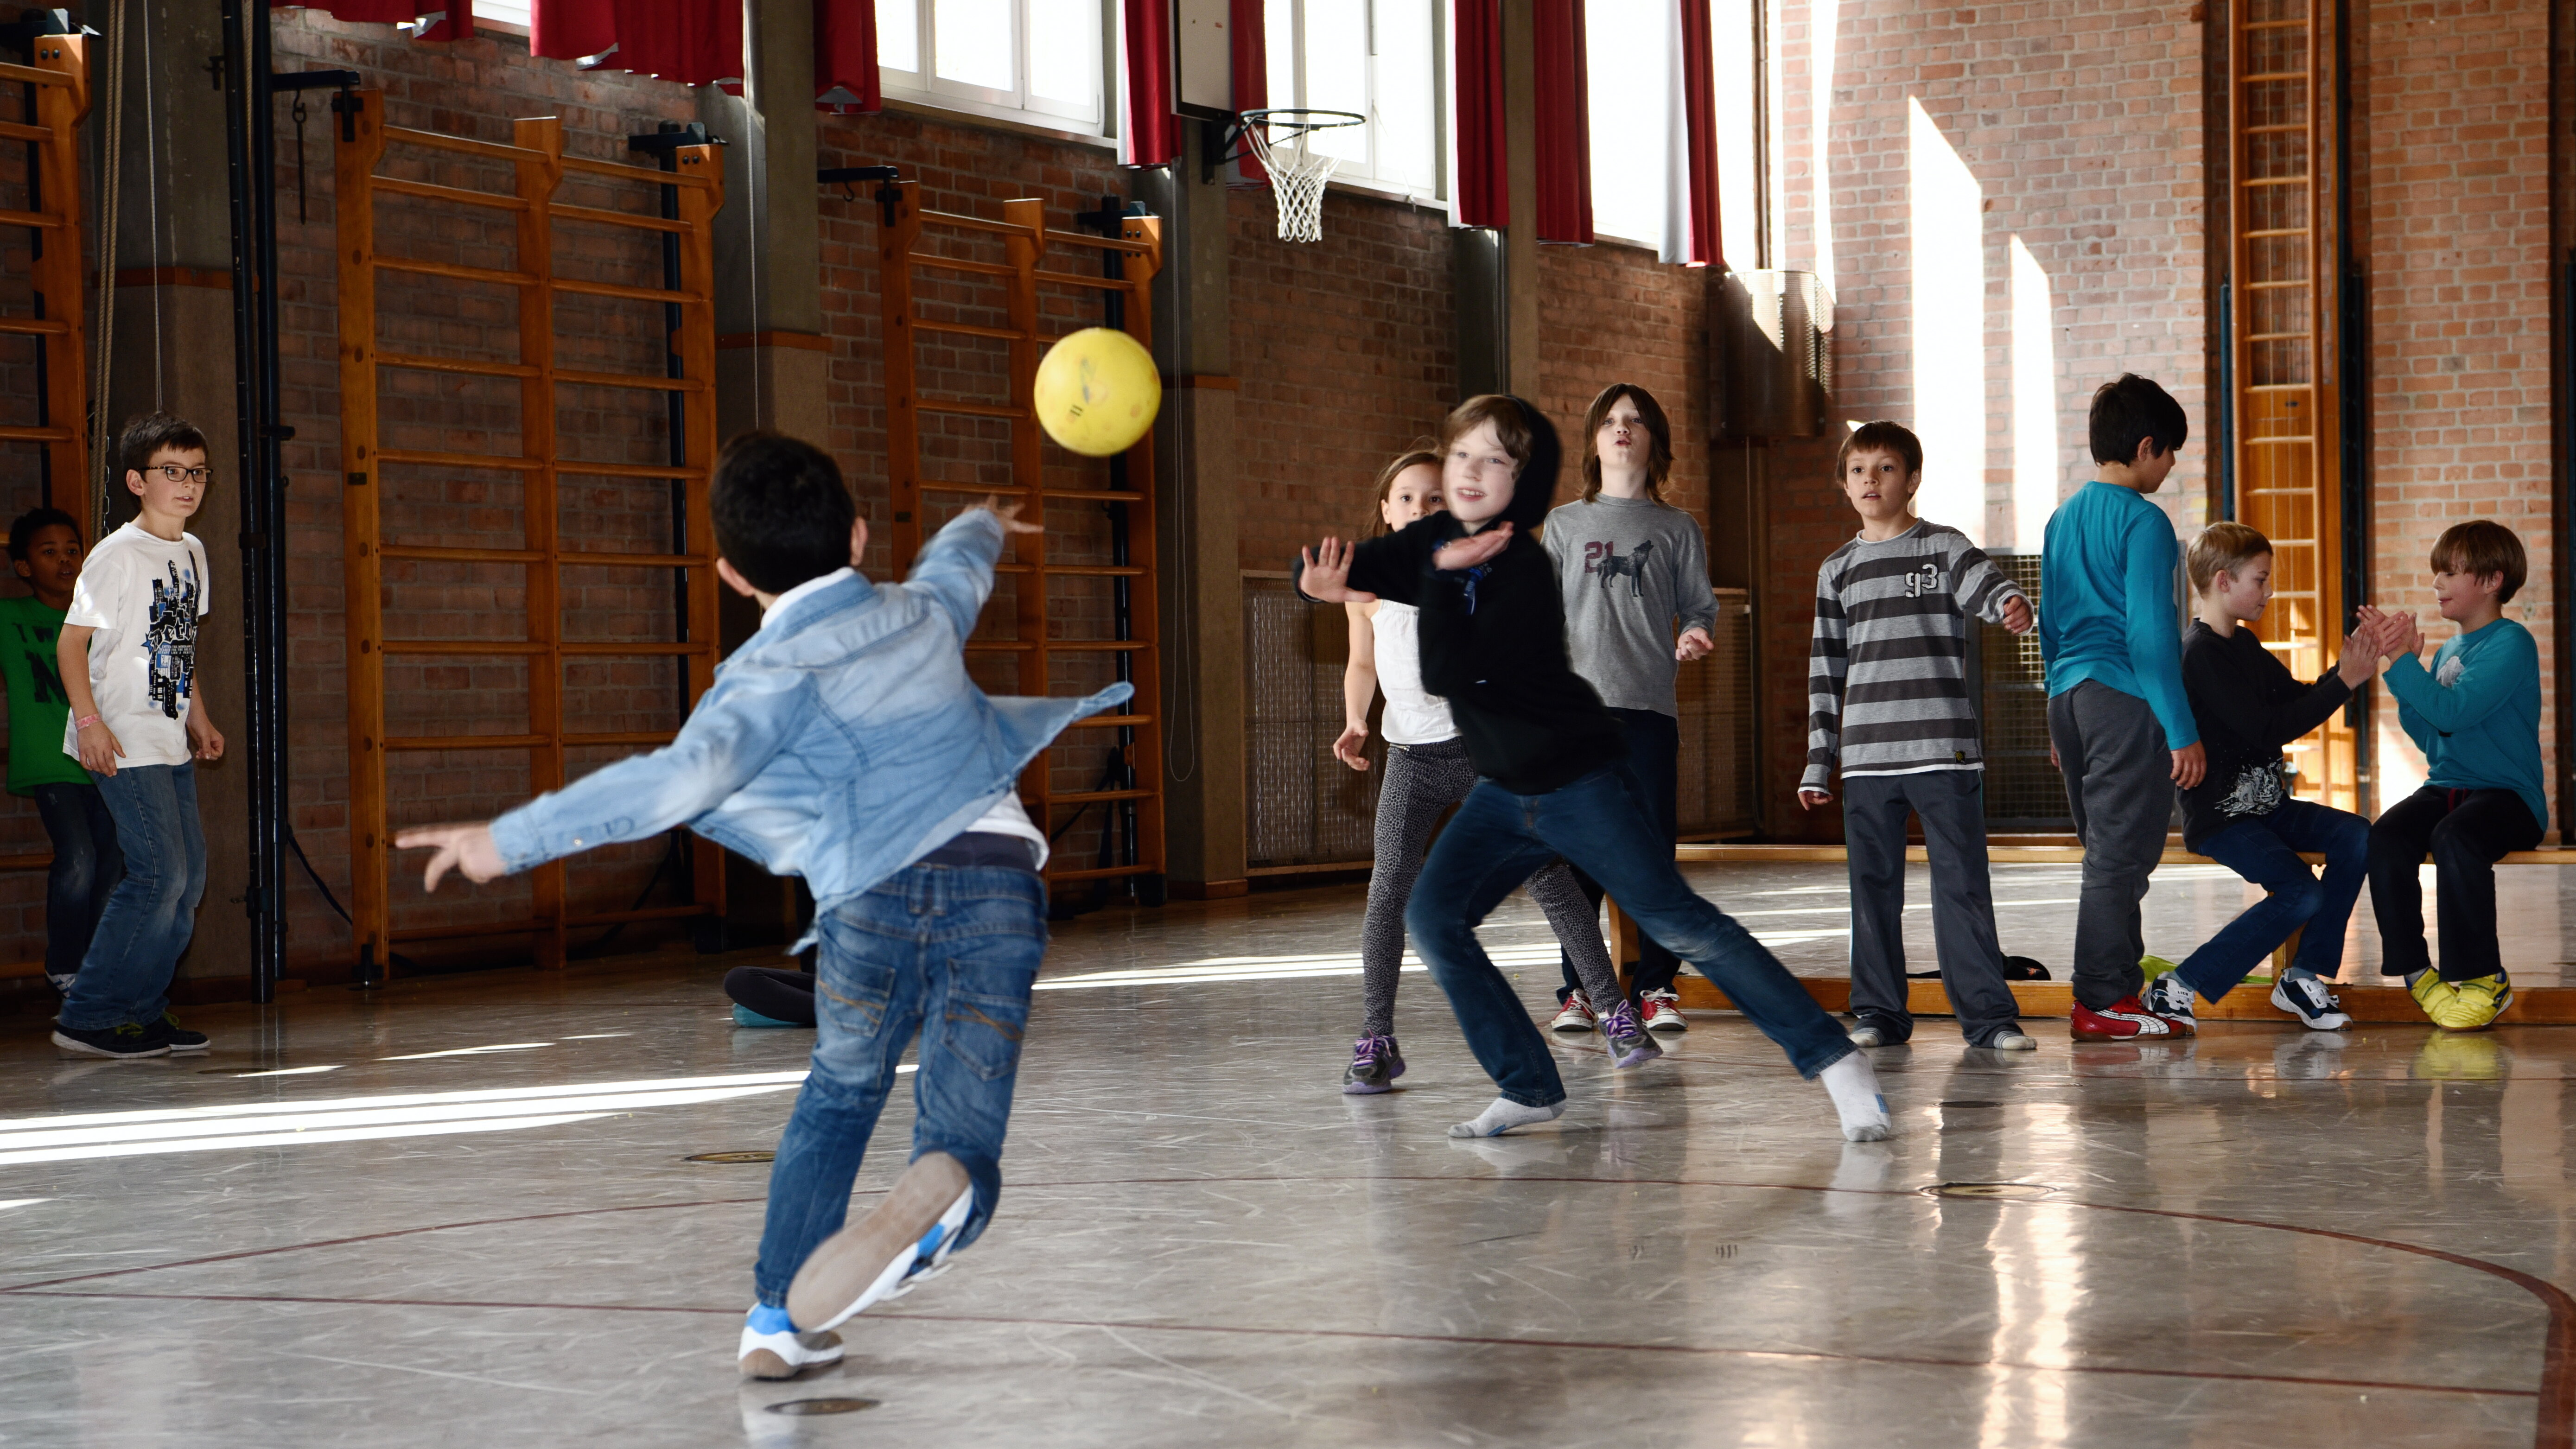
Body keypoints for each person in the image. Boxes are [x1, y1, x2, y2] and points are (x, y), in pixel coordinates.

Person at [395, 432, 1130, 1380]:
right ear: (860, 537)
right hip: (994, 888)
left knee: (839, 1089)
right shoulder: (917, 614)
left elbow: (678, 778)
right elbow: (956, 573)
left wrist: (507, 842)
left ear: (730, 573)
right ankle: (944, 1198)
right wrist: (982, 522)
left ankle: (779, 1319)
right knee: (961, 1129)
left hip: (867, 900)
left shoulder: (762, 677)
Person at [1296, 395, 1890, 1143]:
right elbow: (1336, 571)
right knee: (1431, 914)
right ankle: (1529, 1084)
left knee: (1677, 918)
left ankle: (1836, 1060)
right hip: (1502, 790)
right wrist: (1318, 583)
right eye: (1461, 461)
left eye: (1489, 464)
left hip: (1567, 778)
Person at [1335, 448, 1654, 1092]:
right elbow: (1362, 664)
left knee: (1548, 874)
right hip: (1411, 760)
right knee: (1389, 885)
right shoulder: (1365, 589)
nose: (1419, 509)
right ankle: (1377, 1036)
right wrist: (1356, 718)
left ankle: (1614, 1009)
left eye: (1435, 500)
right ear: (1385, 512)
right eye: (1406, 499)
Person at [1799, 421, 2037, 1052]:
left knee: (1961, 885)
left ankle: (1988, 1019)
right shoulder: (1838, 569)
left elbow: (1989, 586)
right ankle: (1877, 1012)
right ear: (1845, 484)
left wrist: (2011, 602)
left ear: (1911, 479)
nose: (1870, 480)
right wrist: (1817, 763)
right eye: (1858, 469)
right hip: (1867, 762)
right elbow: (1826, 672)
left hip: (1945, 752)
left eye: (1885, 468)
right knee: (1871, 892)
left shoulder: (1943, 548)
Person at [2143, 521, 2393, 1031]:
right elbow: (2266, 730)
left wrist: (2347, 670)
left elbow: (2295, 698)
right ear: (2222, 581)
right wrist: (2344, 683)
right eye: (2260, 579)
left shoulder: (2244, 646)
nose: (2269, 590)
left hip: (2266, 809)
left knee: (2356, 835)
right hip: (2221, 819)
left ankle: (2301, 976)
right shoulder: (2201, 654)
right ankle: (2179, 985)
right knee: (2301, 892)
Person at [1540, 383, 1713, 1036]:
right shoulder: (1563, 524)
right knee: (1575, 853)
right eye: (1610, 421)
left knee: (1649, 853)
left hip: (1647, 710)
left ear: (1653, 441)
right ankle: (1582, 989)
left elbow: (1699, 606)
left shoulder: (1675, 528)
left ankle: (1657, 987)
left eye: (1635, 421)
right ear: (1594, 438)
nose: (1621, 429)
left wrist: (1695, 633)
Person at [49, 415, 223, 1059]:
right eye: (171, 472)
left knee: (190, 878)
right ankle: (88, 1013)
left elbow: (179, 646)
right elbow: (71, 643)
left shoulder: (193, 552)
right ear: (136, 481)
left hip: (169, 737)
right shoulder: (115, 555)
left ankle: (142, 1012)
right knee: (158, 874)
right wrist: (89, 722)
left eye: (197, 472)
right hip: (121, 737)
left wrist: (198, 716)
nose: (187, 484)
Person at [2356, 520, 2545, 1032]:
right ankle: (2419, 976)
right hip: (2447, 788)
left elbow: (2454, 713)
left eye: (2449, 573)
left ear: (2491, 580)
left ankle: (2485, 979)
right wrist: (2409, 666)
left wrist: (2400, 663)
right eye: (2436, 573)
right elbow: (2429, 733)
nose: (2436, 583)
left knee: (2454, 838)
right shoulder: (2446, 652)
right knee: (2386, 836)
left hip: (2508, 798)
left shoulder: (2511, 643)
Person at [0, 508, 121, 996]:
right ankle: (66, 966)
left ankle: (99, 971)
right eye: (49, 552)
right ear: (24, 567)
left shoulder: (104, 620)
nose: (65, 560)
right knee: (79, 858)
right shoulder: (9, 617)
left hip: (109, 761)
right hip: (52, 761)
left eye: (73, 549)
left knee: (114, 864)